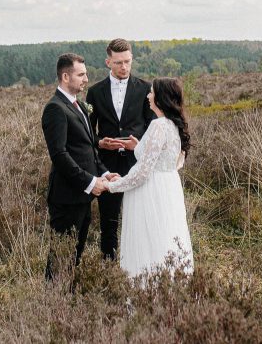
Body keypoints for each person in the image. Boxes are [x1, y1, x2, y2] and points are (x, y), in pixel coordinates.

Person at [41, 52, 119, 281]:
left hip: (82, 197)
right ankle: (51, 305)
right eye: (81, 74)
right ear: (65, 77)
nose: (86, 79)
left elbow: (88, 148)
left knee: (75, 256)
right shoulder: (55, 108)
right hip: (66, 198)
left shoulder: (79, 106)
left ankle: (68, 306)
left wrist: (104, 172)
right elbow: (60, 154)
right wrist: (90, 181)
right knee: (61, 257)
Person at [106, 77, 193, 279]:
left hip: (150, 191)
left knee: (148, 239)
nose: (148, 96)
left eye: (152, 92)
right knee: (165, 236)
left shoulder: (159, 126)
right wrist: (139, 147)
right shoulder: (173, 125)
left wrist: (114, 185)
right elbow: (171, 161)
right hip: (169, 188)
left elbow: (143, 172)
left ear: (161, 98)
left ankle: (147, 290)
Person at [85, 38, 155, 260]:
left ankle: (142, 264)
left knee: (141, 217)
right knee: (109, 220)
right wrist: (100, 143)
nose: (124, 67)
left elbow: (153, 127)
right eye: (118, 63)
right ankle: (109, 265)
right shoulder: (94, 92)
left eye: (127, 62)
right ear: (108, 62)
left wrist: (138, 145)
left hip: (138, 164)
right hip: (107, 165)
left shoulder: (145, 89)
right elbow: (88, 131)